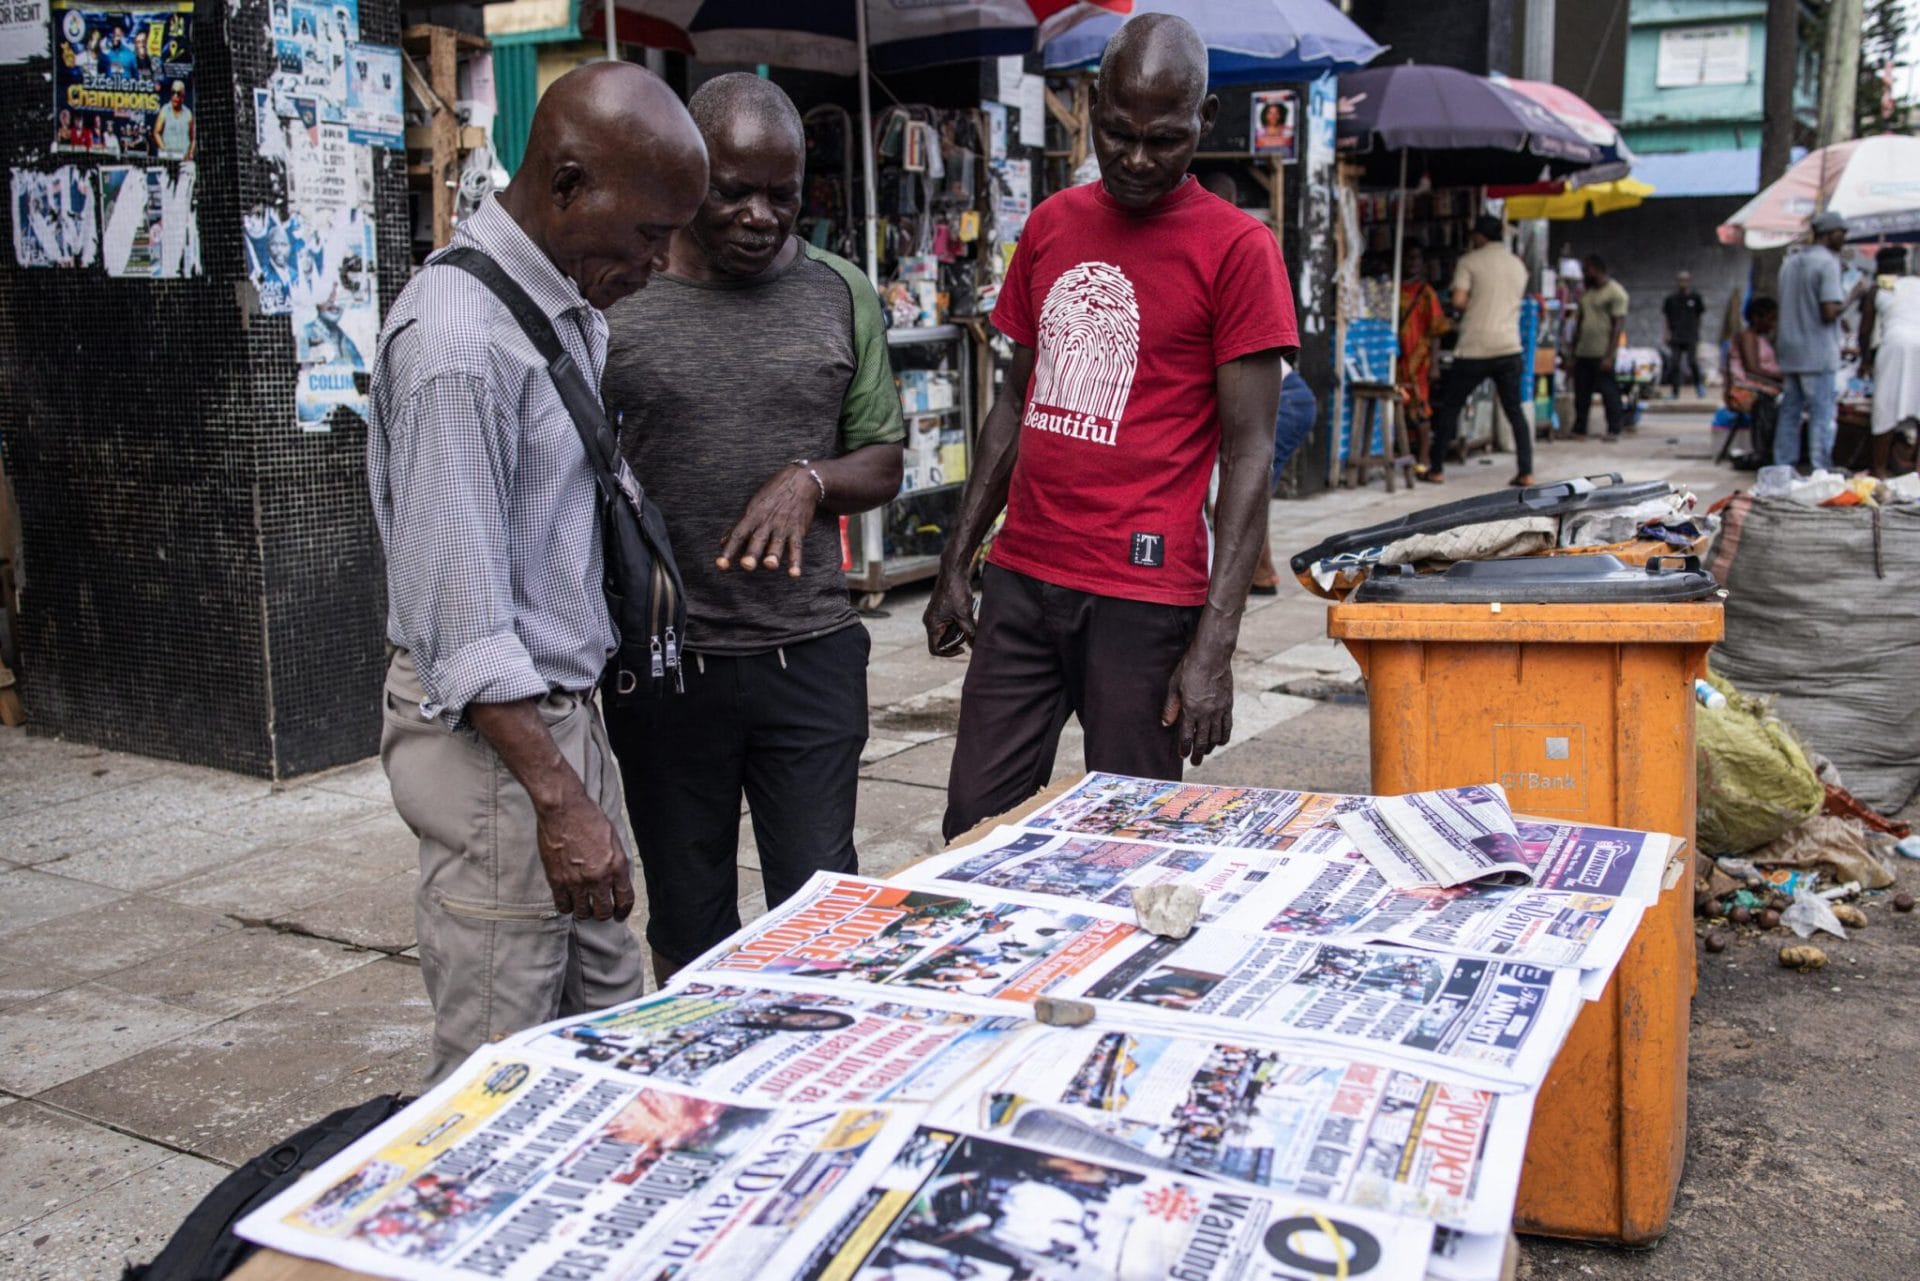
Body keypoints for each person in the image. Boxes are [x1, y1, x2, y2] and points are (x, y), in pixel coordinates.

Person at [365, 63, 707, 1082]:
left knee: (610, 1035)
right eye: (650, 234)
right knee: (497, 1072)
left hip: (560, 727)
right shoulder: (461, 347)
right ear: (566, 185)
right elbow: (463, 625)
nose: (662, 263)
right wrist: (561, 803)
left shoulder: (556, 300)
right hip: (499, 755)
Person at [926, 14, 1295, 839]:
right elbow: (1015, 402)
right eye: (1118, 132)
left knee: (1133, 837)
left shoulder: (1239, 248)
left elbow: (1250, 453)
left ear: (1204, 122)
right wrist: (957, 561)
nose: (1135, 158)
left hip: (1144, 596)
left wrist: (1214, 647)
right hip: (1023, 576)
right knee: (972, 828)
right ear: (1093, 107)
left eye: (1164, 139)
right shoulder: (1053, 223)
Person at [598, 75, 905, 985]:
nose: (762, 216)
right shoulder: (620, 298)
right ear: (687, 176)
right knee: (689, 927)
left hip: (806, 656)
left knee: (821, 918)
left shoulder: (838, 291)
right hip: (664, 666)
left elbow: (883, 460)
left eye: (784, 192)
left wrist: (811, 480)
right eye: (735, 191)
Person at [1426, 214, 1533, 486]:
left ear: (1480, 236)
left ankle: (1436, 468)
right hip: (1509, 346)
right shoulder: (1518, 266)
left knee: (1451, 407)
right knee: (1514, 411)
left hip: (1474, 346)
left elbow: (1459, 300)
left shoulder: (1469, 261)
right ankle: (1526, 470)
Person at [1774, 210, 1854, 472]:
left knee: (1790, 413)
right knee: (1822, 415)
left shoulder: (1790, 263)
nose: (1844, 238)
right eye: (1841, 233)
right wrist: (1853, 296)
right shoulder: (1828, 263)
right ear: (1829, 234)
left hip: (1790, 350)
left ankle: (1782, 468)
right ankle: (1821, 469)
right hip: (1817, 352)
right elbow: (1828, 311)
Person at [1860, 245, 1920, 476]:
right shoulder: (1917, 283)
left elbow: (1865, 331)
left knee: (1885, 408)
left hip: (1894, 344)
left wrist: (1865, 361)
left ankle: (1879, 469)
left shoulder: (1878, 289)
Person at [1396, 242, 1449, 473]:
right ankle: (1405, 455)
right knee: (1399, 406)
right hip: (1396, 358)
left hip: (1418, 359)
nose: (1411, 263)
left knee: (1420, 408)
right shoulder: (1394, 289)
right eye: (1408, 258)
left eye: (1416, 259)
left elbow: (1436, 330)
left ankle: (1424, 458)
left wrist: (1435, 363)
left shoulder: (1427, 293)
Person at [1569, 253, 1629, 441]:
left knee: (1608, 392)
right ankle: (1580, 428)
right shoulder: (1587, 293)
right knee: (1581, 393)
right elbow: (1579, 323)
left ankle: (1614, 428)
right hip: (1583, 351)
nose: (1584, 274)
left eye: (1586, 270)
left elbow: (1618, 325)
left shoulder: (1615, 292)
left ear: (1596, 269)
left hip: (1602, 352)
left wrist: (1609, 355)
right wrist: (1572, 351)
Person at [1728, 296, 1783, 464]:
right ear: (1756, 317)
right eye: (1770, 319)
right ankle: (1763, 452)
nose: (1773, 325)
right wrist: (1783, 377)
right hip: (1746, 387)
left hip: (1763, 384)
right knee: (1768, 402)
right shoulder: (1748, 337)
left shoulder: (1761, 338)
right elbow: (1752, 370)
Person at [1661, 270, 1705, 398]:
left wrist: (1697, 333)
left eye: (1685, 280)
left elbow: (1700, 316)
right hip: (1676, 336)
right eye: (1680, 280)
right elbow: (1666, 319)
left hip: (1691, 335)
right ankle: (1675, 392)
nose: (1683, 283)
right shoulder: (1671, 299)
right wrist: (1666, 334)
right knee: (1674, 364)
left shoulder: (1695, 298)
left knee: (1692, 361)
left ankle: (1699, 385)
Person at [152, 81, 193, 161]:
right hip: (168, 158)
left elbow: (193, 138)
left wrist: (190, 153)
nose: (175, 96)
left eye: (178, 93)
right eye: (173, 93)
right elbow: (156, 133)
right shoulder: (164, 110)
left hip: (184, 158)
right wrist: (164, 150)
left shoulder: (188, 113)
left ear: (183, 95)